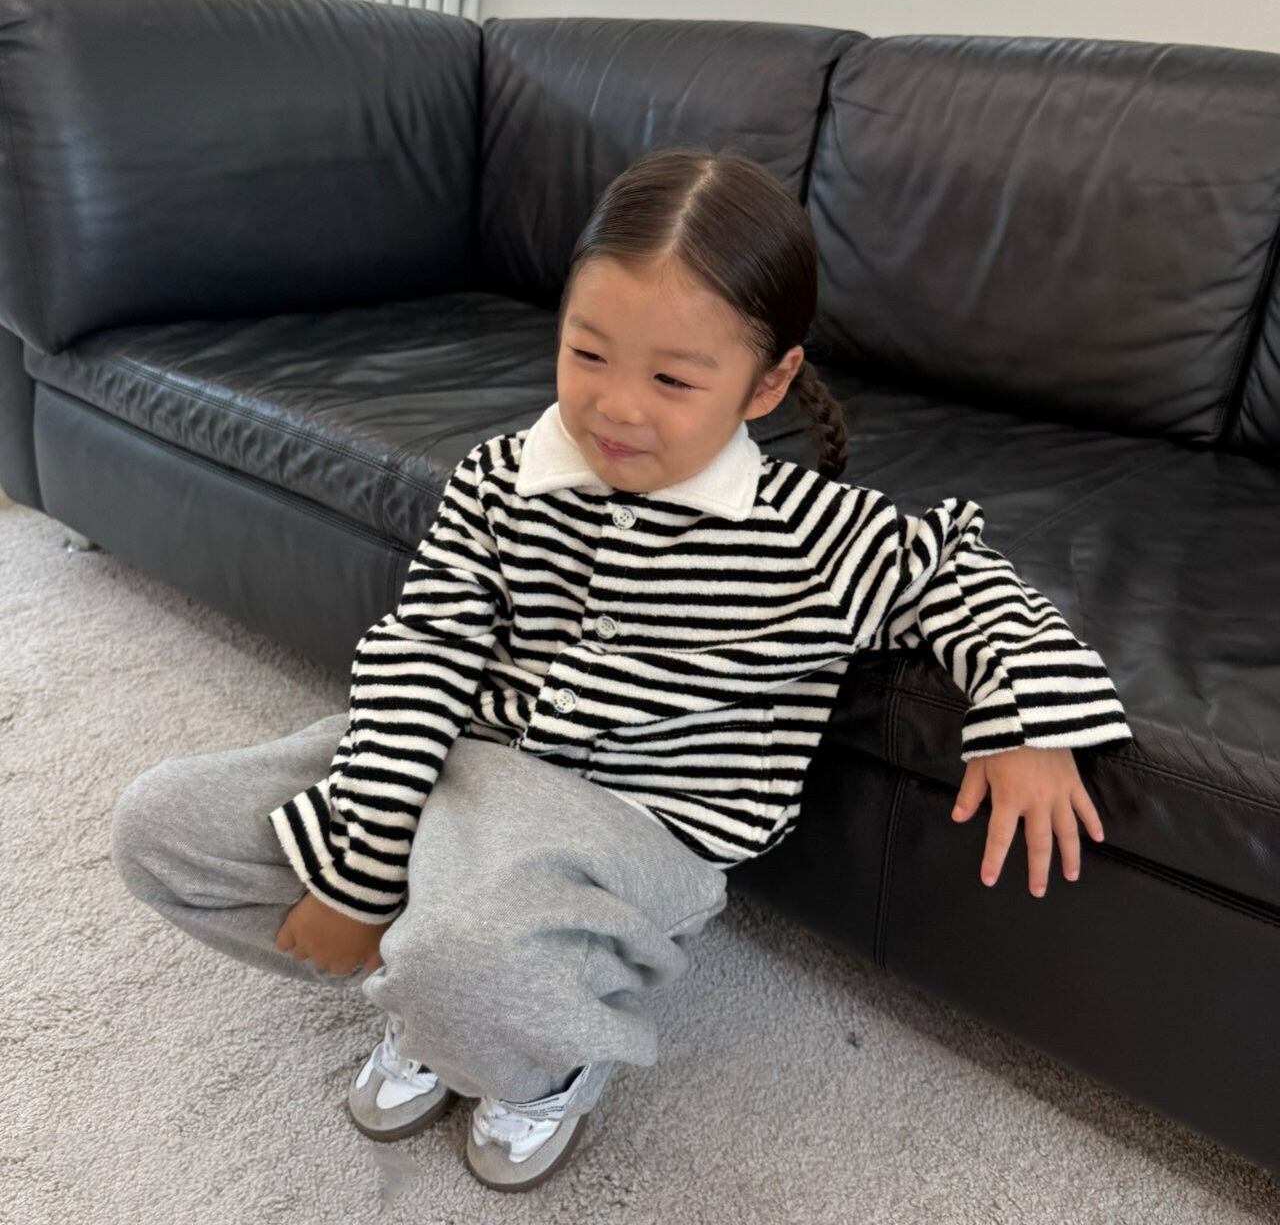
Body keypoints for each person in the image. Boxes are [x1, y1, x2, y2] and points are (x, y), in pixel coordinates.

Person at [110, 145, 1133, 1194]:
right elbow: (421, 658)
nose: (615, 406)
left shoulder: (818, 536)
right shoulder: (498, 481)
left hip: (629, 827)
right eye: (586, 353)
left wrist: (1025, 722)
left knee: (461, 957)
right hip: (455, 765)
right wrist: (363, 869)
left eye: (671, 379)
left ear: (769, 381)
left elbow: (964, 576)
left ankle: (528, 1051)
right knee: (163, 827)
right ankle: (439, 980)